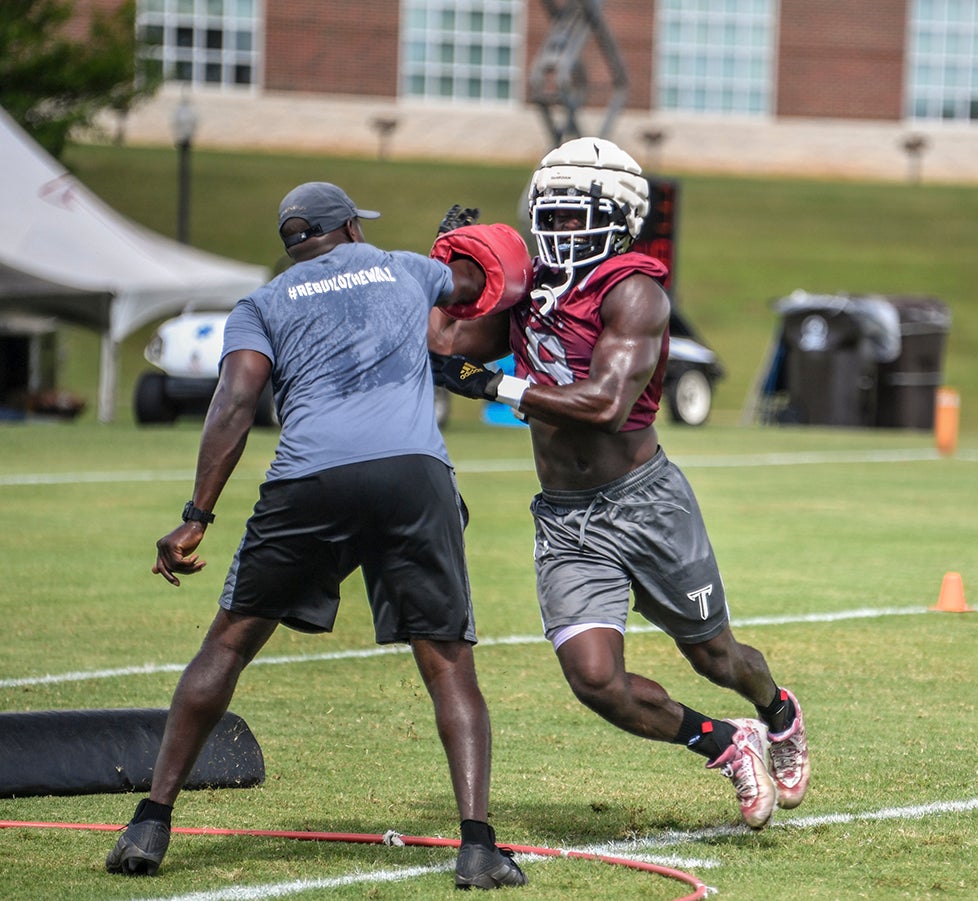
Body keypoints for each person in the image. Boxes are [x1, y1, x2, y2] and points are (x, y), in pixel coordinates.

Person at [106, 181, 528, 889]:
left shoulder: (262, 304)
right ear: (352, 229)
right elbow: (478, 287)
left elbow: (235, 402)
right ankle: (479, 846)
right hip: (411, 474)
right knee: (449, 664)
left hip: (310, 478)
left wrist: (197, 514)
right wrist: (460, 246)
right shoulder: (402, 266)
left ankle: (151, 819)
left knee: (229, 643)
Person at [428, 138, 810, 831]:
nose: (558, 229)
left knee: (716, 655)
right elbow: (445, 348)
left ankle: (777, 711)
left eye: (575, 217)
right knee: (595, 680)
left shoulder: (635, 291)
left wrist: (499, 384)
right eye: (551, 213)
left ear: (617, 218)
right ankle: (725, 742)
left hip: (645, 503)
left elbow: (605, 403)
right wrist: (445, 280)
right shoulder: (530, 288)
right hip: (568, 517)